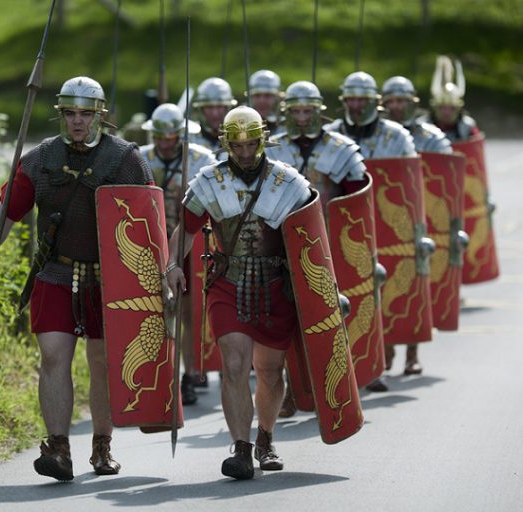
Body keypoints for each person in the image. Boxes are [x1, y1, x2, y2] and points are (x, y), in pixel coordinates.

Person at [0, 76, 154, 482]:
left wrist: (155, 279)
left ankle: (101, 445)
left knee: (103, 362)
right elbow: (7, 212)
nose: (77, 122)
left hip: (110, 279)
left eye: (85, 114)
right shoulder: (39, 159)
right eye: (71, 113)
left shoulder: (125, 158)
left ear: (99, 116)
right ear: (61, 114)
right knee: (54, 356)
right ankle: (58, 449)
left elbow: (147, 220)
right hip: (56, 273)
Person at [166, 106, 312, 480]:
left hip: (274, 286)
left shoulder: (288, 183)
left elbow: (309, 238)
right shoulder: (209, 181)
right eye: (237, 144)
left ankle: (265, 436)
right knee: (233, 365)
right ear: (226, 142)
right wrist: (172, 265)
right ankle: (242, 449)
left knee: (269, 370)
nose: (245, 152)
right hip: (228, 283)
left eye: (251, 143)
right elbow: (186, 229)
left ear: (263, 139)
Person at [266, 80, 366, 414]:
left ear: (319, 112)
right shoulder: (272, 148)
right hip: (282, 247)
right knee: (286, 320)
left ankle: (335, 385)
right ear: (287, 112)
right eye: (296, 110)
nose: (303, 116)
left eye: (308, 110)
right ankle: (293, 390)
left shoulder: (342, 148)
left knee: (333, 316)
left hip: (330, 248)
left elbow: (355, 202)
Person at [324, 71, 416, 392]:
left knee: (379, 294)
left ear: (374, 101)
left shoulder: (397, 137)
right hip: (344, 229)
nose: (357, 104)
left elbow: (409, 186)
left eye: (363, 99)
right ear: (344, 101)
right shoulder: (330, 137)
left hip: (387, 227)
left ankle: (376, 364)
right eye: (351, 98)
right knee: (348, 297)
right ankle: (349, 365)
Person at [139, 103, 217, 405]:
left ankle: (190, 374)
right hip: (149, 244)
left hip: (189, 243)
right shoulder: (140, 160)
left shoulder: (201, 161)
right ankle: (157, 374)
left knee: (188, 311)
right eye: (159, 137)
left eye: (170, 137)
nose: (164, 143)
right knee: (152, 312)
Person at [381, 75, 453, 376]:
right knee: (383, 285)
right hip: (387, 220)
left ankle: (412, 353)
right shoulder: (379, 137)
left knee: (414, 284)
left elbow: (446, 176)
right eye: (391, 102)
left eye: (402, 101)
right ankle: (385, 349)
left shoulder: (431, 137)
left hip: (419, 219)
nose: (396, 107)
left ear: (413, 103)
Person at [419, 55, 480, 142]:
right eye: (442, 108)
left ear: (458, 109)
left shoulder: (468, 126)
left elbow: (476, 150)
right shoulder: (422, 126)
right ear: (435, 108)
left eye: (452, 108)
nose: (446, 112)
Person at [190, 77, 237, 152]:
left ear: (227, 108)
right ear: (201, 109)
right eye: (209, 107)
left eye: (219, 106)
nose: (214, 113)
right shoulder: (189, 141)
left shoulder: (240, 140)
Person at [247, 69, 285, 136]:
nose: (262, 101)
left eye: (268, 95)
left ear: (278, 98)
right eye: (257, 95)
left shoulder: (286, 129)